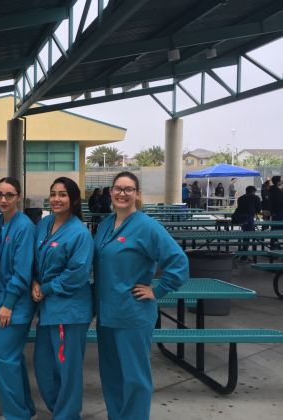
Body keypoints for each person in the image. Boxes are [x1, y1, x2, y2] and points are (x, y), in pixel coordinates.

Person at [94, 171, 188, 420]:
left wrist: (157, 289)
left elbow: (179, 262)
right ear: (111, 192)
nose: (122, 194)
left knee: (135, 377)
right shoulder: (104, 225)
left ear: (137, 194)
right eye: (117, 189)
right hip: (107, 315)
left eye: (128, 189)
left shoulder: (147, 227)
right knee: (112, 374)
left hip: (132, 314)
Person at [32, 177, 94, 420]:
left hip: (69, 312)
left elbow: (76, 275)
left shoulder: (79, 233)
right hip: (47, 310)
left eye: (63, 194)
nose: (56, 199)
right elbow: (34, 260)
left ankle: (67, 415)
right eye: (53, 193)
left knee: (67, 369)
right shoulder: (44, 224)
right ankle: (59, 410)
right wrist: (34, 282)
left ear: (74, 199)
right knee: (43, 366)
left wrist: (45, 288)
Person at [0, 177, 37, 420]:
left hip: (15, 306)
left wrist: (8, 304)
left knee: (2, 357)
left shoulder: (23, 227)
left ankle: (15, 415)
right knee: (13, 360)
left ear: (18, 197)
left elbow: (21, 272)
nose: (3, 199)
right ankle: (26, 411)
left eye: (9, 195)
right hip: (1, 303)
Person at [233, 186, 262, 256]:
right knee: (247, 236)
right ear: (253, 191)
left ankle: (244, 252)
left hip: (239, 218)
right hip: (249, 218)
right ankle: (244, 254)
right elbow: (258, 210)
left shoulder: (240, 198)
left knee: (246, 234)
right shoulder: (255, 197)